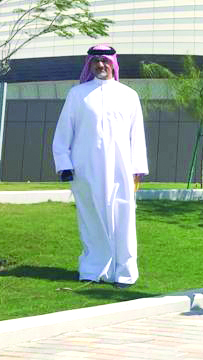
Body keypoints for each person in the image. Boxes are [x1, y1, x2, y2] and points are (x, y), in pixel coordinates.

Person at [52, 44, 148, 287]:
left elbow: (137, 135)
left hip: (122, 169)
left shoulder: (129, 95)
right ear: (90, 65)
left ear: (113, 64)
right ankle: (93, 269)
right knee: (90, 217)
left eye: (105, 61)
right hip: (85, 168)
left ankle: (125, 271)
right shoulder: (77, 94)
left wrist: (138, 167)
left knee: (123, 217)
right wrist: (64, 163)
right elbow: (64, 131)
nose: (100, 65)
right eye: (96, 62)